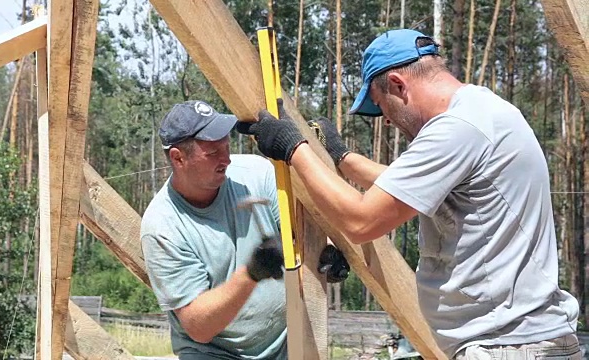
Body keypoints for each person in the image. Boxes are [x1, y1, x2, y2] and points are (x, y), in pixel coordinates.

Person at [237, 29, 581, 359]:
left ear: (399, 85)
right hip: (517, 342)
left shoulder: (456, 129)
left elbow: (361, 221)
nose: (386, 120)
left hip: (505, 345)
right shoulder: (482, 112)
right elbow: (403, 186)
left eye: (381, 106)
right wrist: (343, 157)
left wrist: (293, 148)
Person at [141, 100, 350, 360]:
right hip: (214, 353)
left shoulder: (256, 174)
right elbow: (199, 327)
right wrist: (252, 274)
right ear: (178, 157)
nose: (226, 158)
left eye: (226, 146)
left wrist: (326, 252)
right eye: (213, 152)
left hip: (285, 341)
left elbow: (304, 231)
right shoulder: (163, 226)